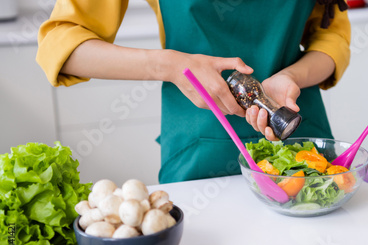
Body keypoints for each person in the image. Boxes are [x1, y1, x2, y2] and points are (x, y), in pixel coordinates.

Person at [36, 0, 351, 183]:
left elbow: (331, 38)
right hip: (198, 146)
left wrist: (292, 75)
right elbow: (60, 45)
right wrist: (170, 66)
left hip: (300, 134)